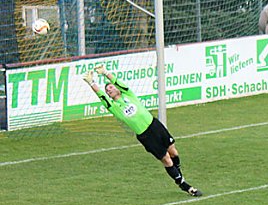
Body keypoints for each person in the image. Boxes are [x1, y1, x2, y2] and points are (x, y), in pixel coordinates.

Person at [82, 66, 202, 197]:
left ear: (117, 88)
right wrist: (91, 82)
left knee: (173, 151)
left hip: (155, 125)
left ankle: (177, 173)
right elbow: (102, 96)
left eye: (110, 87)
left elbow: (118, 83)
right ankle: (184, 185)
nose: (109, 90)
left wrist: (106, 73)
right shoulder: (114, 107)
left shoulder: (129, 94)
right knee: (167, 160)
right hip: (145, 136)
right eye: (107, 90)